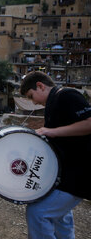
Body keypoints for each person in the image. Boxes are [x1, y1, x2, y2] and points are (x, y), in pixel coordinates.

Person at [20, 71, 91, 239]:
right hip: (65, 175)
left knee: (38, 213)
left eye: (32, 96)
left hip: (79, 175)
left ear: (40, 86)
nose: (34, 102)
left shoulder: (66, 95)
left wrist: (52, 132)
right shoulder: (53, 103)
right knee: (60, 217)